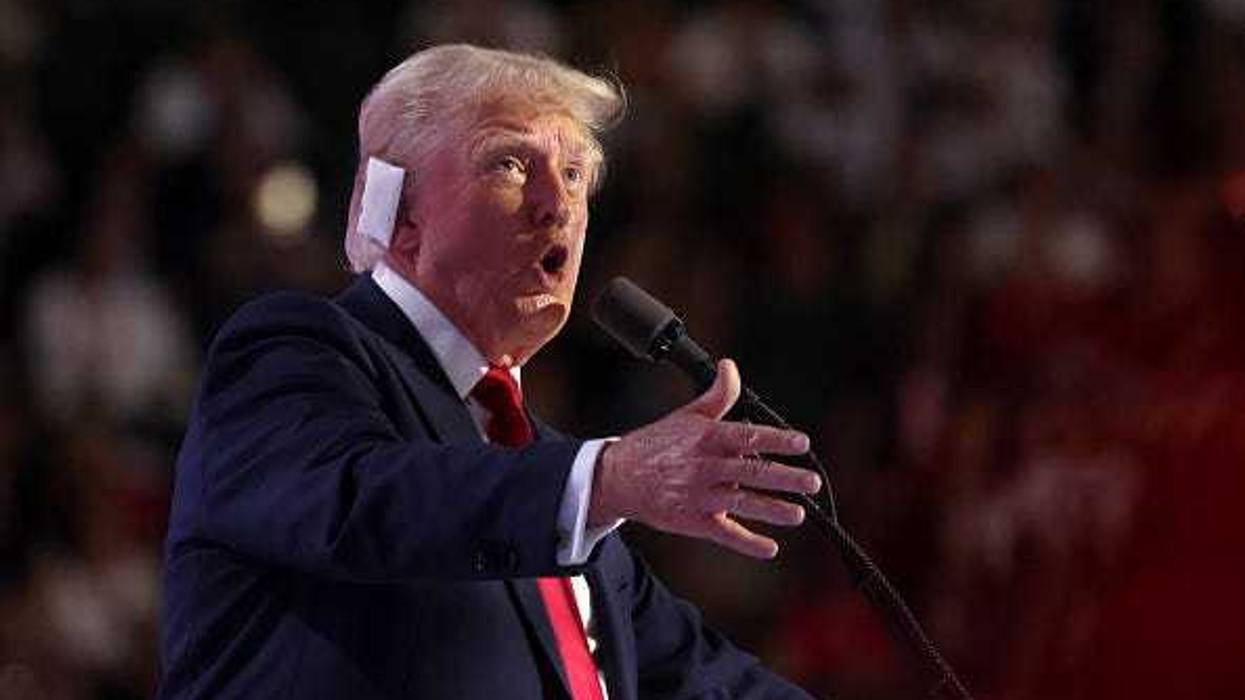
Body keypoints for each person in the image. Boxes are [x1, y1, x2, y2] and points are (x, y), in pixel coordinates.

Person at [158, 44, 823, 700]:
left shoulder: (550, 471)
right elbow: (363, 502)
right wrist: (608, 480)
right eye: (509, 163)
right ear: (400, 211)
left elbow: (703, 678)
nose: (556, 205)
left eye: (572, 174)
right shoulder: (289, 354)